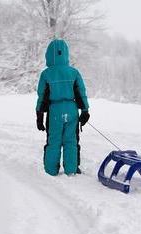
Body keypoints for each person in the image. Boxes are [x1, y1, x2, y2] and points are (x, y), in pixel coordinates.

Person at [35, 39, 90, 176]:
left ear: (49, 55)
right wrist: (85, 111)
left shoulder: (46, 74)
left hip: (54, 111)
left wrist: (39, 116)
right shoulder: (74, 72)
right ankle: (71, 170)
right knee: (71, 140)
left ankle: (51, 170)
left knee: (53, 141)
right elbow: (81, 92)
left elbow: (42, 96)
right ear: (66, 54)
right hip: (71, 110)